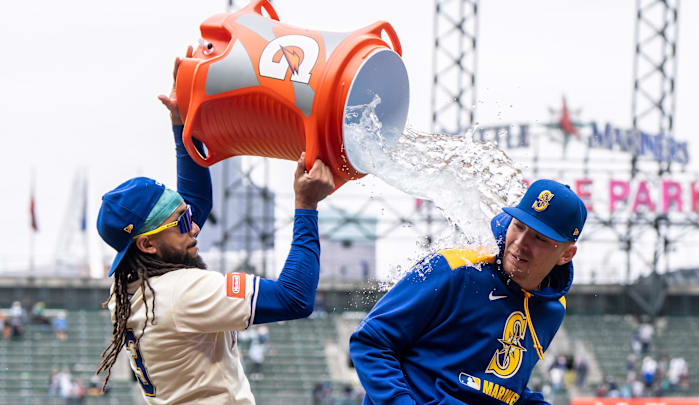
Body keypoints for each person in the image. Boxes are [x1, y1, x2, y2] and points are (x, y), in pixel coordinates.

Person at [94, 49, 335, 405]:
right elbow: (294, 299)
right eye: (181, 222)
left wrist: (181, 121)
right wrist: (306, 206)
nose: (193, 227)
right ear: (147, 245)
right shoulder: (183, 293)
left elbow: (195, 200)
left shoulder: (130, 286)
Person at [350, 179, 587, 404]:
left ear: (567, 254)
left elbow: (501, 387)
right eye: (519, 226)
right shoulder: (456, 269)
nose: (520, 242)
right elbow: (371, 342)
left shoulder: (553, 309)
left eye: (539, 238)